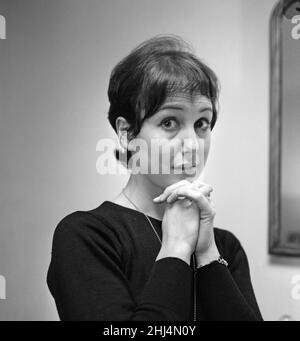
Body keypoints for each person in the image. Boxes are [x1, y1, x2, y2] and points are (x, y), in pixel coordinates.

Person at [47, 34, 263, 321]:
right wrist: (175, 249)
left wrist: (208, 255)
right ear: (127, 133)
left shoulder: (225, 246)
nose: (192, 143)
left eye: (202, 123)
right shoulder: (87, 236)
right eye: (169, 122)